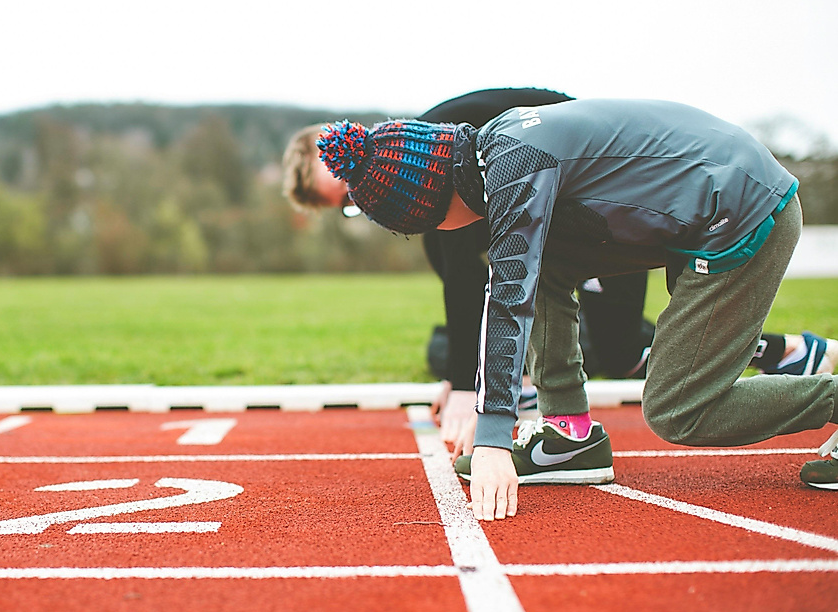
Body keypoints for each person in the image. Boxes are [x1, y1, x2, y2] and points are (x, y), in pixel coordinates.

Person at [314, 98, 838, 521]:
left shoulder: (516, 168)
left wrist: (494, 438)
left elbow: (509, 301)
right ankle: (569, 436)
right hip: (705, 204)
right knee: (533, 267)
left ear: (433, 206)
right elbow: (520, 275)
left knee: (680, 407)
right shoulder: (499, 146)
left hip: (744, 215)